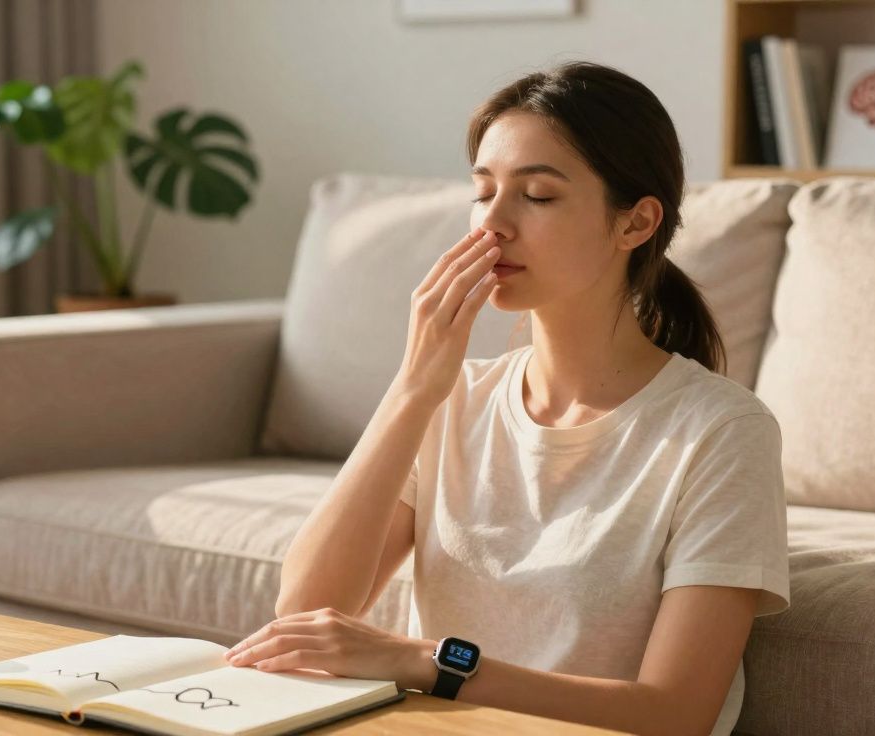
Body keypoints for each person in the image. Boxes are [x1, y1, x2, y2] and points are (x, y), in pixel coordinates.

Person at [220, 60, 790, 736]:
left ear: (635, 223)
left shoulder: (721, 430)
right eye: (482, 190)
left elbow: (676, 714)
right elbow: (307, 611)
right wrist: (412, 391)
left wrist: (430, 664)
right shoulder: (454, 397)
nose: (491, 224)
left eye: (537, 196)